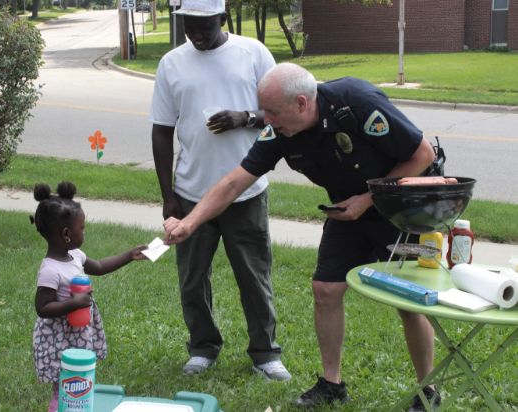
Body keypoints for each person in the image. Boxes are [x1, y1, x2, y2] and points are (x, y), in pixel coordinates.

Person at [162, 63, 441, 412]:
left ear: (301, 103)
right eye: (264, 110)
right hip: (346, 211)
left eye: (273, 111)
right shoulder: (280, 129)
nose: (266, 118)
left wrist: (368, 199)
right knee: (325, 290)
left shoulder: (355, 103)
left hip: (397, 209)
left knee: (407, 302)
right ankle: (332, 384)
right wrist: (190, 222)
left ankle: (428, 389)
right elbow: (235, 181)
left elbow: (422, 155)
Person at [149, 0, 291, 380]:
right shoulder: (171, 64)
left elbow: (282, 113)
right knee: (192, 277)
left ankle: (265, 354)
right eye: (187, 25)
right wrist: (168, 196)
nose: (194, 32)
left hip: (245, 191)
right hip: (191, 191)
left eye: (203, 25)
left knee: (254, 275)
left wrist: (244, 118)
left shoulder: (253, 53)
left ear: (223, 18)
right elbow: (162, 130)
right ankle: (202, 347)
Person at [30, 181, 148, 412]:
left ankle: (76, 405)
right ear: (66, 234)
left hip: (76, 330)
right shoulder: (50, 270)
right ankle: (58, 407)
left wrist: (129, 255)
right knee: (64, 381)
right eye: (81, 228)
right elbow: (42, 307)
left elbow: (101, 266)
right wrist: (74, 303)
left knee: (79, 378)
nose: (84, 232)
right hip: (59, 337)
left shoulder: (74, 254)